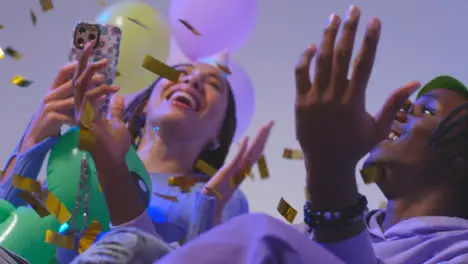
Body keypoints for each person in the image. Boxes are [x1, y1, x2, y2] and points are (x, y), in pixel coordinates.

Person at [75, 5, 468, 264]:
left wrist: (331, 174)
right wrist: (111, 170)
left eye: (426, 111)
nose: (401, 111)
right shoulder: (308, 231)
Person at [0, 42, 273, 262]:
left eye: (213, 84)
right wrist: (35, 135)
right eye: (178, 73)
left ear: (219, 134)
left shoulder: (217, 198)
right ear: (143, 105)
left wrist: (115, 172)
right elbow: (8, 226)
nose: (191, 80)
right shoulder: (78, 161)